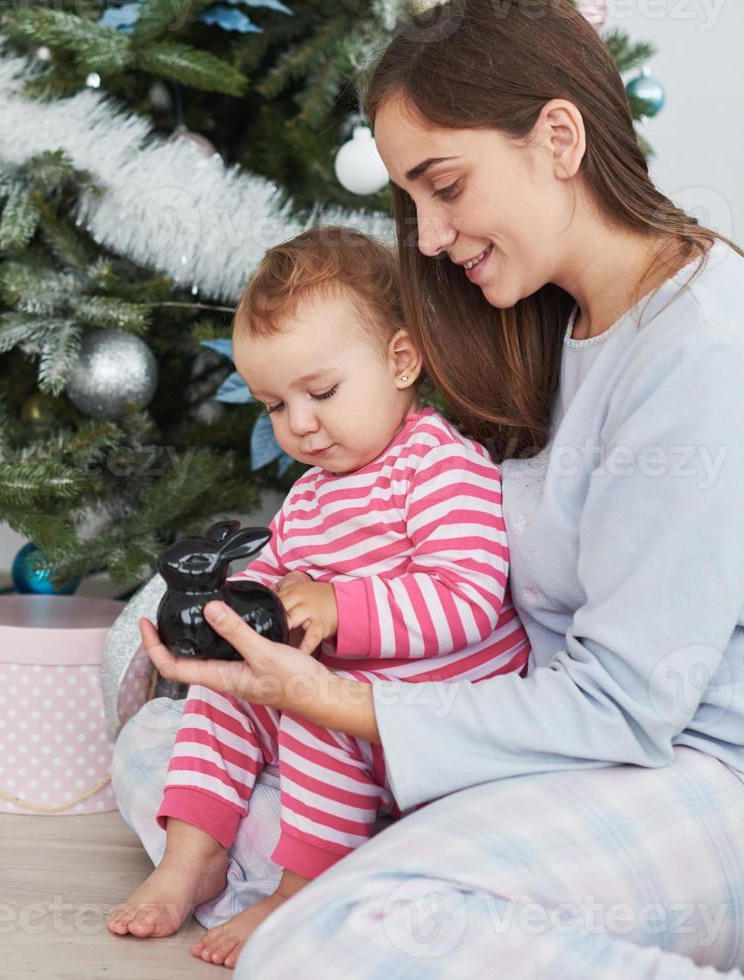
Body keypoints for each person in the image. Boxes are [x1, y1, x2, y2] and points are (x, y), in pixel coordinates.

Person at [112, 0, 744, 975]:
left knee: (327, 938)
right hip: (537, 752)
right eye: (409, 200)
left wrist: (338, 699)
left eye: (446, 186)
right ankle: (388, 894)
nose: (426, 236)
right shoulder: (547, 319)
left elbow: (624, 709)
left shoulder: (702, 356)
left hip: (707, 787)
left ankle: (360, 903)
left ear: (558, 137)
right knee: (160, 749)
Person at [107, 228, 530, 967]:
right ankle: (190, 859)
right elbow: (270, 583)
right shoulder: (309, 497)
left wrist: (341, 609)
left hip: (432, 731)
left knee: (311, 705)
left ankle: (302, 886)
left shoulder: (439, 465)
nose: (298, 424)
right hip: (348, 707)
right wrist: (219, 622)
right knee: (220, 698)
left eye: (321, 393)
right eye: (273, 405)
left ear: (401, 360)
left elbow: (465, 598)